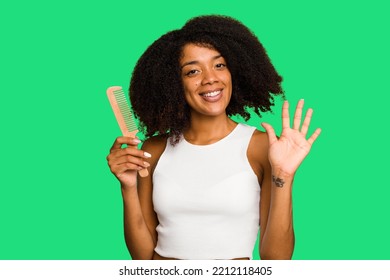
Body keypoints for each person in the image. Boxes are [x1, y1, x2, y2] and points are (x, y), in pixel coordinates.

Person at [106, 15, 321, 260]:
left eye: (219, 65)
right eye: (192, 71)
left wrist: (283, 177)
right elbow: (143, 259)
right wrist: (128, 188)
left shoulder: (261, 146)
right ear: (173, 83)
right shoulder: (154, 149)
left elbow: (277, 261)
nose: (210, 78)